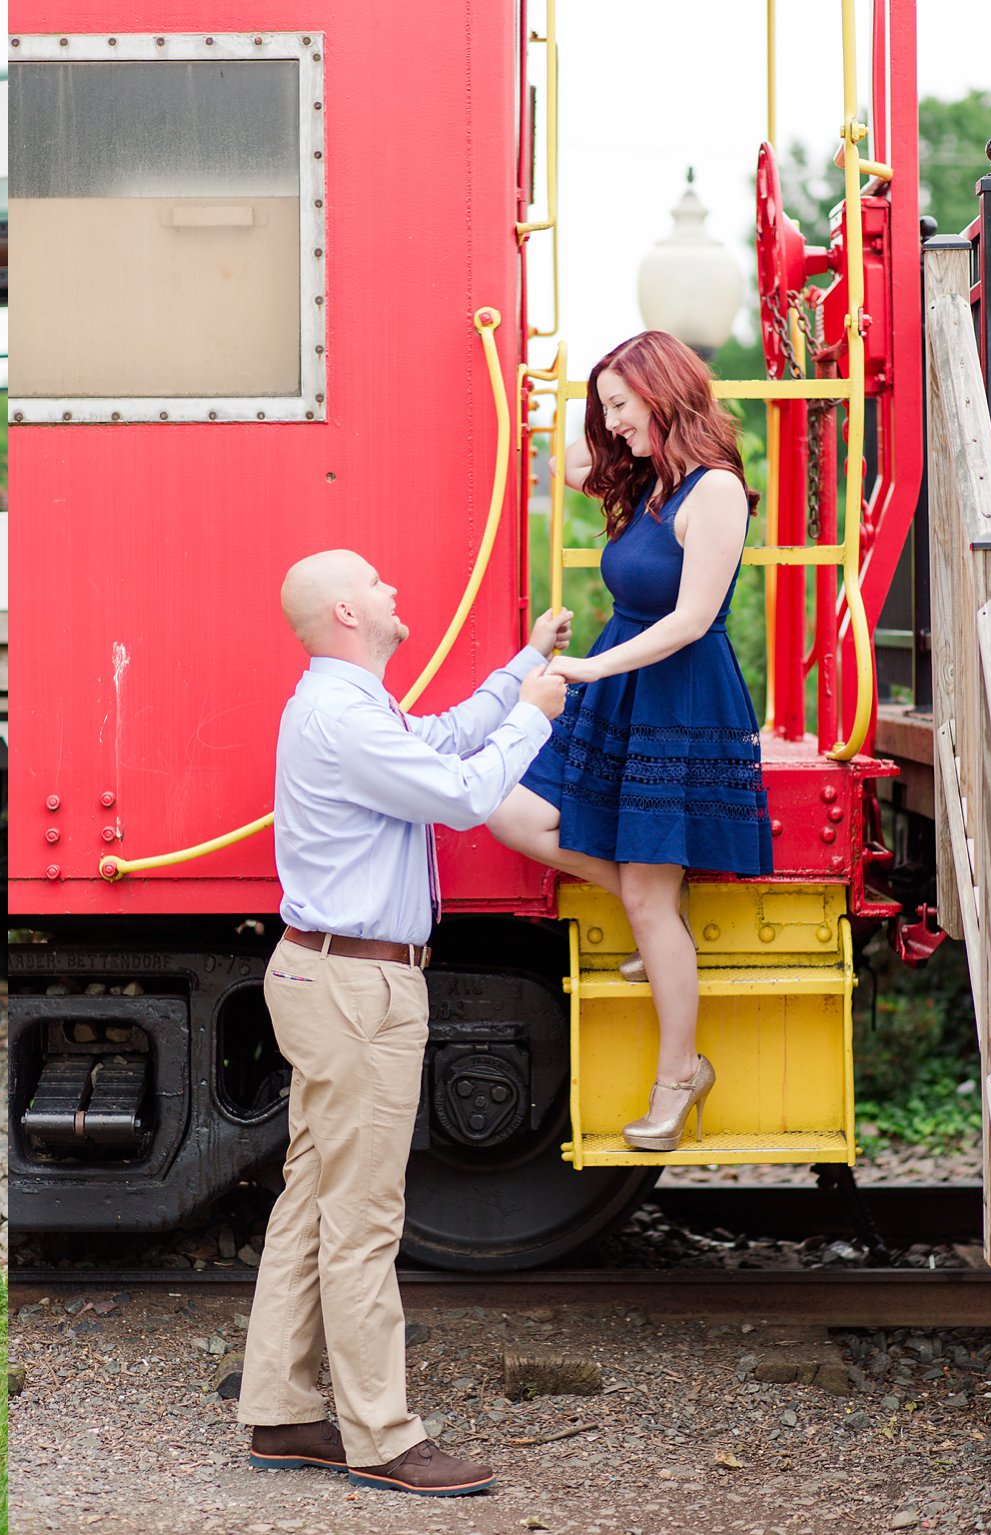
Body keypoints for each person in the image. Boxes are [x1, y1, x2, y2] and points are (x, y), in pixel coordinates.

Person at [239, 548, 568, 1499]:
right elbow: (463, 791)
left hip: (339, 976)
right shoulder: (343, 717)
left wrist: (516, 671)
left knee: (313, 1196)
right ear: (348, 611)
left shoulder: (352, 707)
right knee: (363, 1214)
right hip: (357, 990)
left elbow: (439, 739)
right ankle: (382, 1435)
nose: (394, 589)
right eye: (380, 582)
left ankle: (280, 1410)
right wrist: (534, 721)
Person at [487, 330, 773, 1153]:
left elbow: (689, 621)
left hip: (678, 696)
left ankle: (681, 1074)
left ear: (665, 394)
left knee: (650, 899)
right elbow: (565, 463)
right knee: (510, 809)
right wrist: (554, 398)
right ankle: (659, 920)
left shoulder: (714, 490)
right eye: (606, 409)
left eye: (622, 405)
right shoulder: (647, 478)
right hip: (622, 687)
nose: (610, 425)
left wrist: (587, 665)